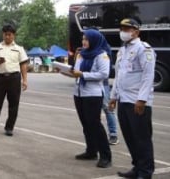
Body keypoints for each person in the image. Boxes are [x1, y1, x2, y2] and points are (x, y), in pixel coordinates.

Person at [109, 18, 155, 179]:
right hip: (124, 99)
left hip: (137, 102)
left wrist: (142, 100)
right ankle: (137, 167)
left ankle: (145, 172)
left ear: (136, 31)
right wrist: (113, 96)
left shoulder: (144, 49)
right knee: (129, 136)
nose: (124, 31)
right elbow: (119, 75)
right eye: (122, 28)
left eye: (127, 29)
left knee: (142, 139)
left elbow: (148, 76)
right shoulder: (123, 50)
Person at [62, 29, 112, 169]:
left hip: (93, 94)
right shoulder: (81, 55)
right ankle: (91, 151)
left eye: (87, 39)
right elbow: (76, 73)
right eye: (83, 39)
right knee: (86, 124)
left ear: (94, 40)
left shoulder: (102, 55)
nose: (84, 42)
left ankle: (106, 156)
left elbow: (103, 74)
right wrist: (65, 72)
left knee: (95, 124)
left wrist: (83, 75)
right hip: (79, 93)